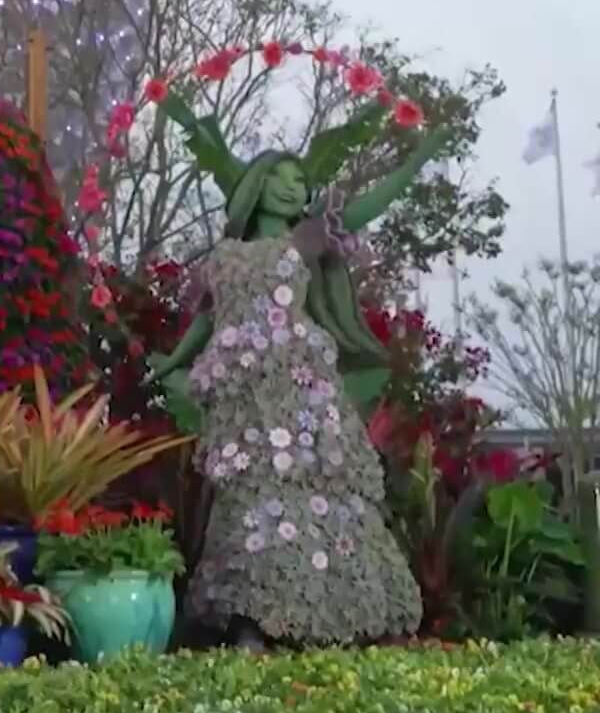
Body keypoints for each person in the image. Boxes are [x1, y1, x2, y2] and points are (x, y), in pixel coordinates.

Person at [148, 132, 446, 647]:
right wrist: (171, 362)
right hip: (242, 393)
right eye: (279, 178)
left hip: (300, 394)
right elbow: (206, 320)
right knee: (246, 495)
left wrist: (416, 159)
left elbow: (370, 203)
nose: (291, 188)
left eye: (299, 181)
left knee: (316, 494)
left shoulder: (308, 237)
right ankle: (251, 617)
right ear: (255, 187)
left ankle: (338, 617)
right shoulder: (224, 256)